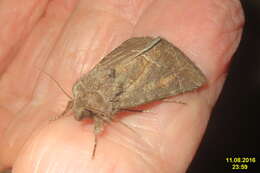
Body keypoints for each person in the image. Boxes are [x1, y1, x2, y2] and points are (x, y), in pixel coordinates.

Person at [0, 0, 244, 172]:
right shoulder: (83, 92)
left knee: (170, 82)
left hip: (138, 74)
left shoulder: (103, 102)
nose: (77, 114)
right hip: (133, 57)